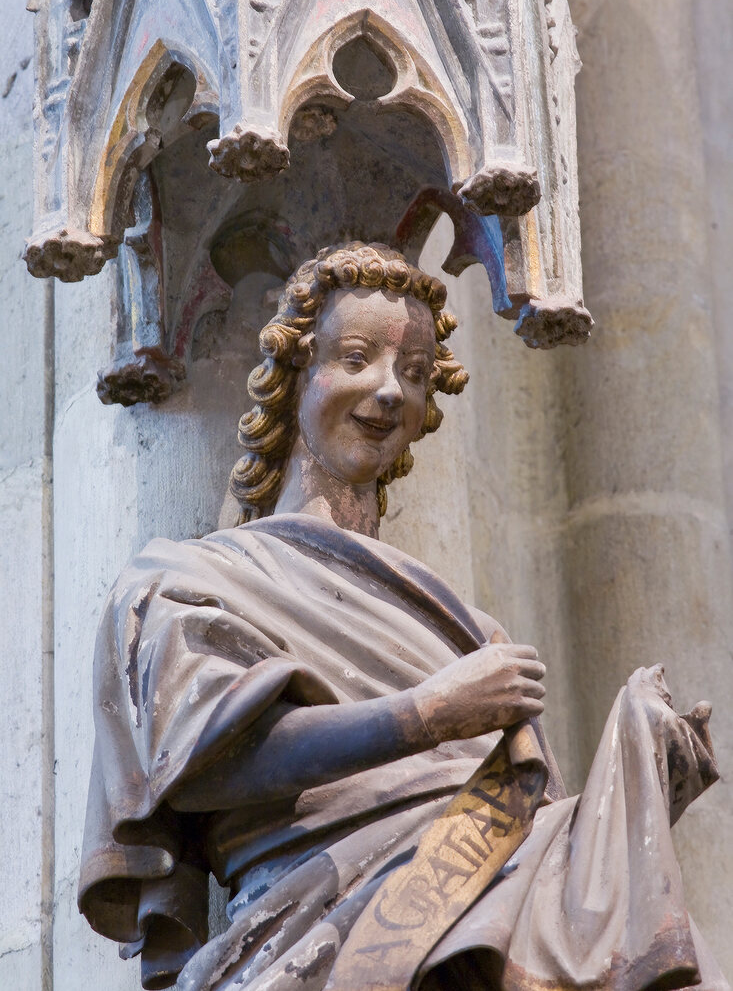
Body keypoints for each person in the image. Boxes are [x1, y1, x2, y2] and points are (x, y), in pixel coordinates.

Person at [79, 243, 727, 991]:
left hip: (480, 907)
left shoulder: (472, 631)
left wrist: (637, 795)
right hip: (317, 917)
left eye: (414, 375)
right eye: (355, 359)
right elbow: (198, 765)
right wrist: (426, 712)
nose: (388, 391)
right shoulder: (194, 579)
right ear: (296, 375)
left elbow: (520, 828)